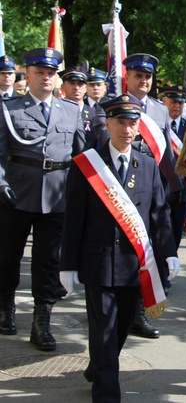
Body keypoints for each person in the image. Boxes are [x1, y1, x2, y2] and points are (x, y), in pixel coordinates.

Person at [59, 95, 179, 401]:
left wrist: (169, 252)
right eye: (121, 122)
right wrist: (68, 264)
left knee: (123, 325)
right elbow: (74, 218)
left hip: (134, 264)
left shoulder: (149, 166)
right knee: (104, 329)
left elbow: (160, 214)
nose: (127, 129)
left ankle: (98, 366)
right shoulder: (87, 165)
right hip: (97, 263)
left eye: (132, 123)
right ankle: (107, 391)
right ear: (108, 124)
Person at [0, 47, 86, 349]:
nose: (46, 77)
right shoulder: (9, 108)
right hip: (17, 192)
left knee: (48, 261)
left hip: (57, 194)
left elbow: (80, 157)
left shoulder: (71, 110)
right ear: (28, 73)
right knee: (8, 255)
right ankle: (5, 307)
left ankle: (42, 320)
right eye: (40, 72)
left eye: (51, 73)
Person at [92, 52, 180, 339]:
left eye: (148, 77)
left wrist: (170, 190)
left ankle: (139, 312)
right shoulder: (108, 106)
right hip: (113, 190)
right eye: (138, 76)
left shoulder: (159, 109)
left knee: (147, 254)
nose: (144, 81)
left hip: (146, 191)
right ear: (127, 77)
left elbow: (165, 155)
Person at [161, 84, 186, 252]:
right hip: (161, 186)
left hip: (182, 189)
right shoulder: (157, 126)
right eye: (172, 101)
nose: (177, 106)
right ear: (163, 100)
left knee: (176, 234)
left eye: (180, 103)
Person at [60, 66, 96, 150]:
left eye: (80, 84)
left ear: (86, 88)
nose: (76, 88)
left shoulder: (94, 114)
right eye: (72, 83)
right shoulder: (55, 112)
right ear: (63, 87)